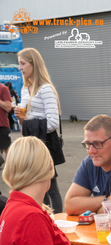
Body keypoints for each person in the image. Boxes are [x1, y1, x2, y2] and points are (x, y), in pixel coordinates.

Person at [17, 48, 63, 213]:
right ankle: (43, 219)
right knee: (36, 186)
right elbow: (24, 121)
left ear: (33, 64)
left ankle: (57, 223)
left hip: (44, 144)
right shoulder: (24, 89)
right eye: (19, 64)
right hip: (31, 143)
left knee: (51, 187)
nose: (20, 68)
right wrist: (20, 117)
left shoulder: (45, 89)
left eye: (23, 63)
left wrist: (29, 123)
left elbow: (53, 123)